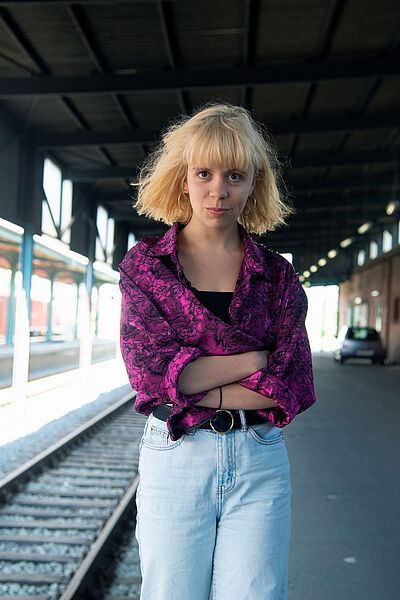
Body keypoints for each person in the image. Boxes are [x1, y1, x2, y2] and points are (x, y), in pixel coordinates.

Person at [119, 103, 316, 600]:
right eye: (203, 173)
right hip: (176, 455)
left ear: (254, 184)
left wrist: (195, 379)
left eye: (235, 176)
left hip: (259, 457)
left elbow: (292, 386)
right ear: (182, 179)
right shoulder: (148, 268)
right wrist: (253, 361)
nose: (218, 190)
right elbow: (150, 377)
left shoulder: (277, 276)